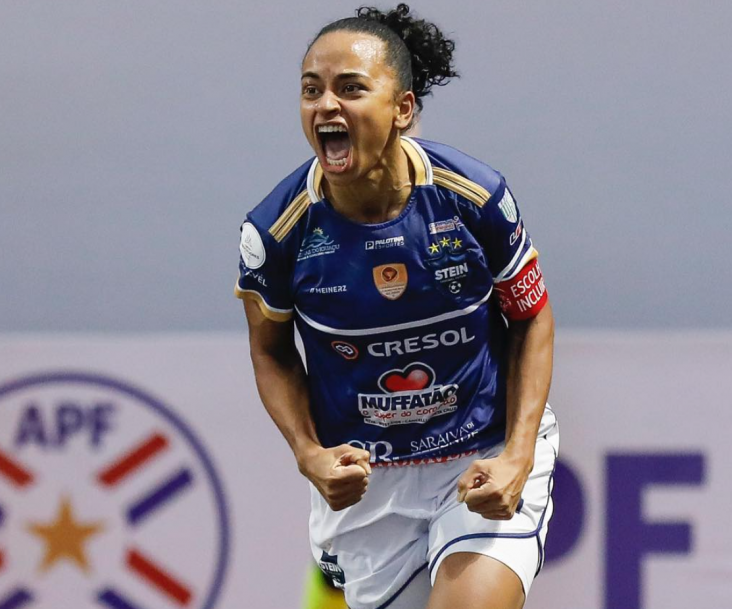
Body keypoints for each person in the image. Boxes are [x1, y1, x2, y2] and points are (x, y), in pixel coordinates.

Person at [235, 5, 558, 609]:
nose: (326, 105)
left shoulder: (475, 198)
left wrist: (518, 455)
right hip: (370, 487)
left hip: (480, 453)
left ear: (402, 109)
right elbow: (270, 352)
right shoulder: (276, 233)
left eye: (351, 88)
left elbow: (531, 316)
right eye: (312, 90)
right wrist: (309, 453)